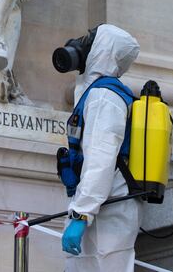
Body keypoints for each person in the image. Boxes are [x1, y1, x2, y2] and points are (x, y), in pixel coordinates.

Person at [60, 24, 143, 272]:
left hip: (108, 210)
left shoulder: (105, 97)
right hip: (102, 209)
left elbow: (101, 160)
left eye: (90, 39)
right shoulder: (95, 94)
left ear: (103, 49)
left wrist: (81, 215)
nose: (83, 43)